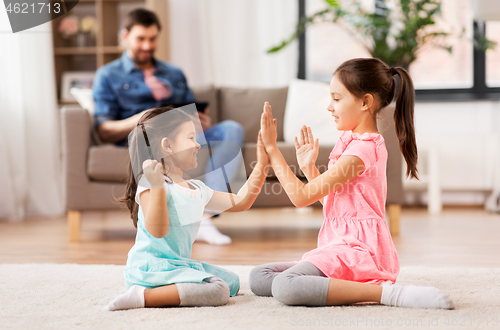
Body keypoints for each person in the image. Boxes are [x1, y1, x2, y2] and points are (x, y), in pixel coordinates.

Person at [250, 58, 455, 309]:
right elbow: (333, 203)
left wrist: (272, 150)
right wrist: (309, 168)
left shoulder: (364, 150)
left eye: (337, 99)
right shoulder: (347, 140)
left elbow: (301, 197)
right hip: (337, 243)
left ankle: (386, 294)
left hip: (359, 249)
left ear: (365, 102)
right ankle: (323, 279)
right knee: (259, 278)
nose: (329, 106)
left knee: (285, 286)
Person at [92, 8, 244, 245]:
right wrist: (142, 118)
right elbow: (103, 129)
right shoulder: (107, 75)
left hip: (181, 134)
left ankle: (203, 216)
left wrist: (198, 122)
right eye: (140, 39)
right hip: (149, 137)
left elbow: (191, 110)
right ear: (125, 36)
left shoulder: (173, 73)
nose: (147, 45)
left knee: (231, 129)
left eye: (152, 39)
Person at [103, 107, 269, 311]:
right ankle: (143, 296)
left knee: (231, 282)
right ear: (168, 146)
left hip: (178, 265)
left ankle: (172, 288)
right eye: (191, 138)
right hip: (151, 267)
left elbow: (241, 201)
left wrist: (262, 164)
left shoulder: (197, 189)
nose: (198, 144)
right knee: (218, 290)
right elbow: (158, 230)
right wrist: (156, 187)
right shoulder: (153, 182)